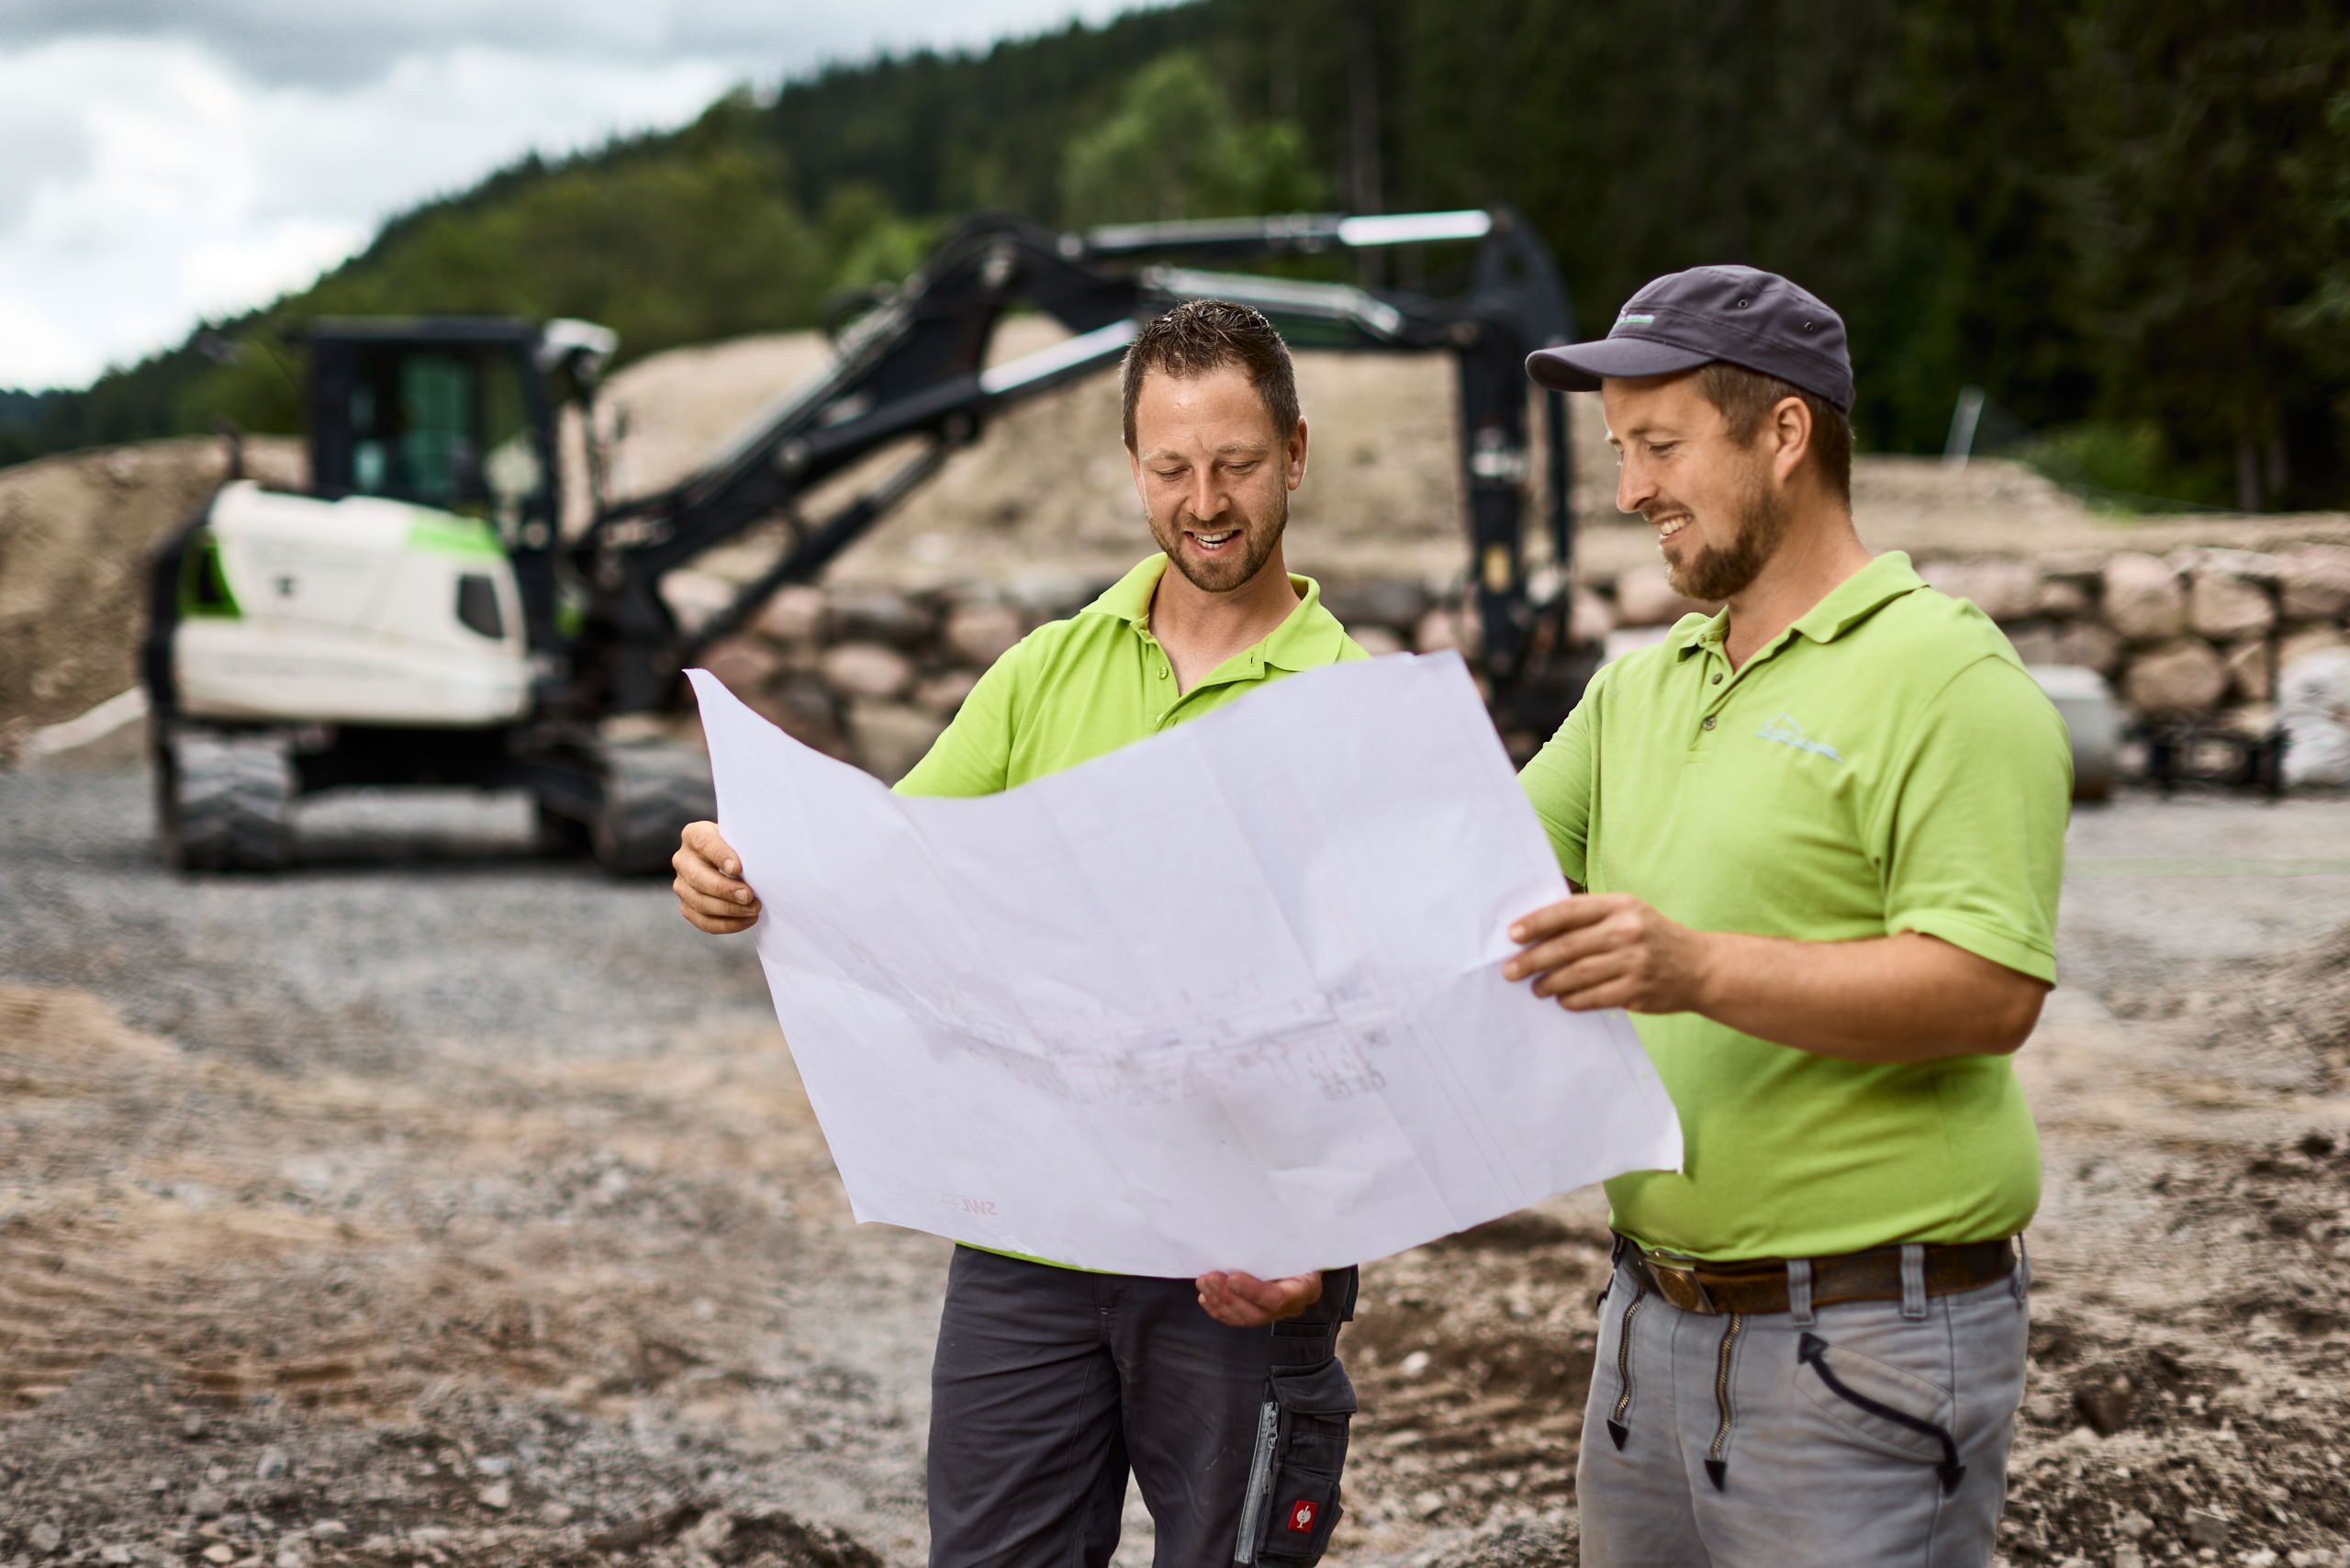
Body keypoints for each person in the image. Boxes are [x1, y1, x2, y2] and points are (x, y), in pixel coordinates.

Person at [672, 299, 1366, 1568]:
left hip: (1238, 1254)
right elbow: (887, 873)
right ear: (1134, 467)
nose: (1205, 500)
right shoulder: (1044, 672)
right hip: (1029, 1237)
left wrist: (1319, 1239)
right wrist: (745, 872)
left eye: (1238, 465)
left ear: (1297, 455)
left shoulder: (1353, 708)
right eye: (1171, 468)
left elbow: (1390, 1021)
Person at [1506, 264, 2070, 1566]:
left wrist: (1691, 966)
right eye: (1619, 451)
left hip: (1862, 1351)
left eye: (1658, 445)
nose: (1627, 490)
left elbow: (1990, 993)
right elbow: (1467, 871)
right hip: (1649, 1338)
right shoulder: (1641, 692)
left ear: (1785, 434)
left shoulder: (1948, 680)